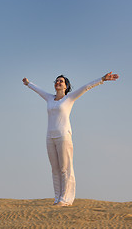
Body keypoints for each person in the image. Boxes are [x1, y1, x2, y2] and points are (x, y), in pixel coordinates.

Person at [22, 72, 119, 207]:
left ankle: (66, 199)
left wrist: (102, 79)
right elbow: (39, 91)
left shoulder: (69, 98)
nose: (58, 83)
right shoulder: (49, 98)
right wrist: (28, 84)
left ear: (66, 86)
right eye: (56, 81)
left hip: (63, 136)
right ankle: (57, 199)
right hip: (50, 136)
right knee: (55, 169)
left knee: (65, 168)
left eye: (61, 81)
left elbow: (86, 87)